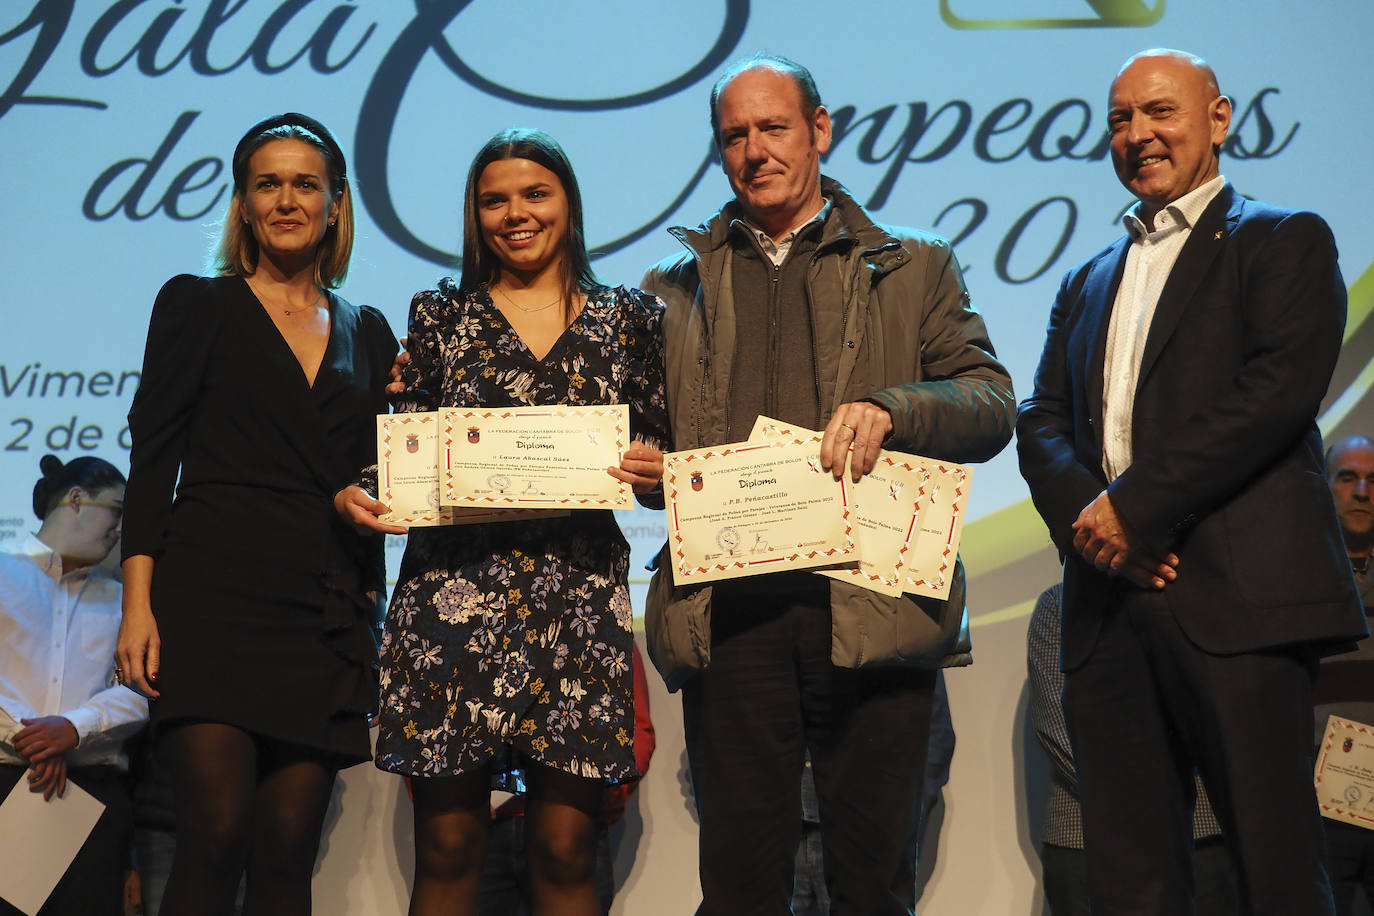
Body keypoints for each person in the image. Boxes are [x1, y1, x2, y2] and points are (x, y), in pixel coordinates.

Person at [640, 53, 1015, 915]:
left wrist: (895, 408)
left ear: (820, 131)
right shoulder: (675, 287)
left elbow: (991, 404)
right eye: (734, 135)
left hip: (870, 607)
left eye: (773, 128)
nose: (754, 152)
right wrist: (650, 467)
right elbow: (651, 445)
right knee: (738, 886)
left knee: (874, 881)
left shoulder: (912, 266)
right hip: (732, 617)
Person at [1016, 48, 1367, 915]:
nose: (1139, 135)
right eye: (1121, 119)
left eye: (1160, 112)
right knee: (1131, 882)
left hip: (1237, 603)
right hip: (1108, 608)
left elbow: (1276, 393)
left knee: (1275, 870)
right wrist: (1095, 527)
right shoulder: (1085, 277)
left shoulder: (1285, 238)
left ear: (1218, 118)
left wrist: (1132, 510)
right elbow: (1040, 420)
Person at [336, 127, 668, 916]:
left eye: (534, 194)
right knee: (449, 847)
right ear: (474, 213)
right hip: (453, 601)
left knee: (565, 850)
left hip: (577, 601)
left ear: (569, 204)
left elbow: (660, 453)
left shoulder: (633, 318)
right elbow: (408, 438)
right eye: (494, 200)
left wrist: (662, 470)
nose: (515, 214)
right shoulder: (439, 314)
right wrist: (359, 490)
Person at [115, 112, 398, 916]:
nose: (285, 200)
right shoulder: (195, 305)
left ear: (336, 204)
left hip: (320, 612)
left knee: (286, 856)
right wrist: (137, 604)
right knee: (215, 828)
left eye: (304, 184)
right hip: (210, 598)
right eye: (266, 184)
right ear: (242, 204)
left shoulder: (368, 332)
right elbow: (153, 461)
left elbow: (375, 473)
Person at [1027, 582, 1237, 915]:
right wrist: (1144, 804)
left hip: (1200, 833)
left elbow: (1226, 708)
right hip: (1087, 836)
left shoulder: (1200, 593)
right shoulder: (1058, 603)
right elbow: (1057, 727)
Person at [0, 454, 148, 916]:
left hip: (91, 796)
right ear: (76, 499)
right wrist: (35, 740)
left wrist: (73, 727)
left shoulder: (126, 599)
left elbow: (140, 690)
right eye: (118, 511)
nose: (122, 530)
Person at [479, 641, 656, 915]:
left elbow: (634, 730)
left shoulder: (592, 615)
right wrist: (449, 799)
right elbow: (428, 722)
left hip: (574, 822)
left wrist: (600, 794)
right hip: (484, 830)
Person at [1315, 435, 1374, 914]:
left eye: (1373, 480)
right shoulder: (1297, 576)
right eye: (1348, 478)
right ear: (1324, 486)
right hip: (1320, 808)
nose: (1362, 493)